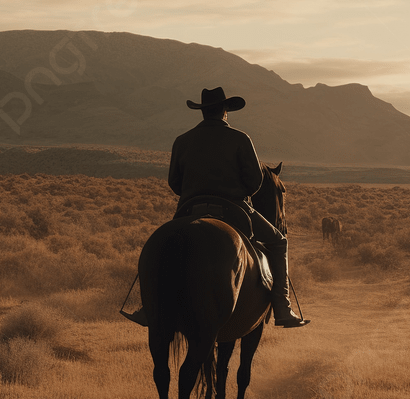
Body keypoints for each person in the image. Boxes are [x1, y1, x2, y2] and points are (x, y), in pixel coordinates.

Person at [125, 87, 309, 328]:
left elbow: (174, 183)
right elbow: (255, 182)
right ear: (225, 111)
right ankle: (283, 308)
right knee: (278, 241)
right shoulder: (241, 138)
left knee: (164, 242)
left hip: (190, 208)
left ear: (202, 112)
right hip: (233, 208)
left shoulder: (182, 140)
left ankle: (148, 307)